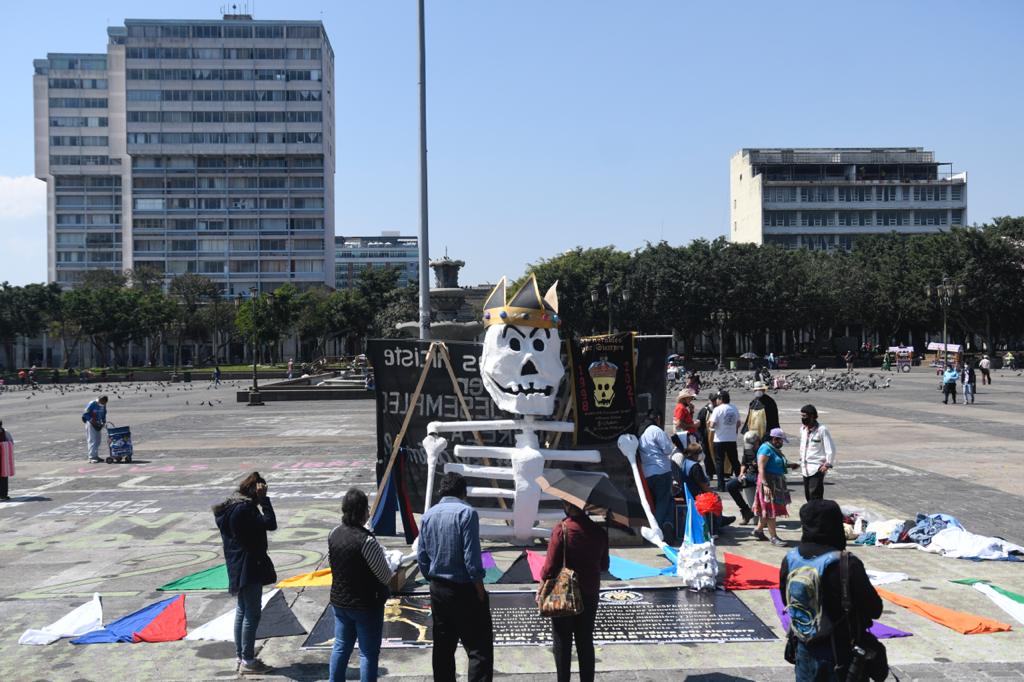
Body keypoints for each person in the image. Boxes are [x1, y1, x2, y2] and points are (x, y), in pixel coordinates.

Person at [780, 500, 884, 681]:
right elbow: (875, 609)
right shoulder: (846, 564)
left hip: (804, 647)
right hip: (842, 652)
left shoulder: (790, 559)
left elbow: (786, 600)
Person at [417, 472, 493, 682]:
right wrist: (480, 591)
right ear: (463, 492)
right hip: (465, 589)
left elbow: (422, 557)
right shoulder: (467, 513)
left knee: (443, 647)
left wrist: (433, 579)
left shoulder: (428, 515)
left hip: (439, 588)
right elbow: (472, 560)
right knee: (478, 648)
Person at [213, 472, 278, 676]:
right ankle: (248, 660)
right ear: (254, 490)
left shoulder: (232, 507)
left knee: (242, 611)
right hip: (248, 567)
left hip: (238, 565)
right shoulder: (245, 510)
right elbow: (270, 523)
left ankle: (242, 655)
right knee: (252, 613)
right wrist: (265, 500)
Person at [328, 488, 394, 682]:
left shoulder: (334, 533)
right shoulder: (367, 541)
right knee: (368, 653)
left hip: (340, 601)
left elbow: (333, 565)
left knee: (341, 646)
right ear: (362, 511)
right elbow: (384, 576)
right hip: (366, 604)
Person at [540, 501, 609, 682]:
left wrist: (542, 585)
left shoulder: (562, 529)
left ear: (568, 506)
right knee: (585, 640)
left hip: (565, 592)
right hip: (590, 591)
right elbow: (604, 565)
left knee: (562, 641)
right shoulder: (599, 532)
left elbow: (549, 568)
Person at [672, 439, 735, 532]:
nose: (702, 455)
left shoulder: (685, 462)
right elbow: (703, 485)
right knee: (715, 498)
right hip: (695, 495)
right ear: (694, 454)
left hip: (687, 493)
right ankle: (717, 524)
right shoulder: (695, 466)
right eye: (700, 452)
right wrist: (713, 493)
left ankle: (719, 519)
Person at [637, 411, 676, 541]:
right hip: (661, 470)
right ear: (658, 418)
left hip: (647, 473)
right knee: (663, 502)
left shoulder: (640, 433)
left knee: (659, 502)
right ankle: (657, 531)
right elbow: (668, 449)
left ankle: (666, 525)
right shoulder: (655, 430)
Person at [752, 428, 791, 547]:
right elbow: (761, 468)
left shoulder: (773, 449)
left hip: (775, 481)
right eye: (781, 441)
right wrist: (765, 485)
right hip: (768, 482)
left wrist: (790, 465)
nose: (782, 443)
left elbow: (776, 463)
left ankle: (758, 531)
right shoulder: (765, 449)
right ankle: (773, 537)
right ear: (774, 439)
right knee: (770, 510)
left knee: (768, 509)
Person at [798, 405, 835, 502]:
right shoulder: (803, 429)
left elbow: (830, 449)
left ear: (812, 416)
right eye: (802, 416)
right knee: (808, 496)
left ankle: (817, 516)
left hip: (817, 468)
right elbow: (803, 447)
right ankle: (811, 516)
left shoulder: (822, 430)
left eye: (805, 416)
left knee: (815, 496)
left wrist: (827, 465)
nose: (803, 418)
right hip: (805, 468)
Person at [709, 389, 741, 492]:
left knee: (719, 463)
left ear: (721, 399)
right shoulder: (734, 408)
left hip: (719, 439)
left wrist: (715, 427)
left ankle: (721, 485)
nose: (717, 401)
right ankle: (740, 482)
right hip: (731, 439)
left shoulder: (717, 409)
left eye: (718, 398)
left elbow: (712, 424)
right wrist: (733, 430)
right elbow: (738, 423)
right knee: (734, 461)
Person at [725, 430, 760, 525]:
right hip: (750, 474)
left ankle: (762, 516)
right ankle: (746, 511)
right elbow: (744, 463)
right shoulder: (747, 448)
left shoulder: (763, 449)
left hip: (760, 475)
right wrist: (741, 474)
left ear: (757, 441)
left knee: (761, 487)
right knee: (730, 485)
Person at [694, 391, 719, 483]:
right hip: (706, 437)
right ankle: (710, 473)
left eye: (715, 400)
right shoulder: (704, 410)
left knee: (717, 455)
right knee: (707, 455)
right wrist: (700, 437)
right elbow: (699, 424)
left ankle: (718, 472)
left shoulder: (718, 409)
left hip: (717, 436)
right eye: (712, 400)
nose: (714, 402)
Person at [82, 395, 108, 463]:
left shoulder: (103, 405)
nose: (103, 404)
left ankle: (96, 456)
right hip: (91, 423)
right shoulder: (92, 403)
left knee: (97, 440)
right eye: (102, 402)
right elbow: (85, 414)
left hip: (98, 423)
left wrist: (104, 422)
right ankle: (91, 457)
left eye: (104, 403)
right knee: (92, 440)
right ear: (99, 400)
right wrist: (92, 420)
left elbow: (104, 414)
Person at [0, 420, 13, 501]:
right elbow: (11, 443)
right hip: (3, 459)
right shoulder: (5, 432)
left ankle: (3, 494)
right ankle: (3, 495)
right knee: (4, 477)